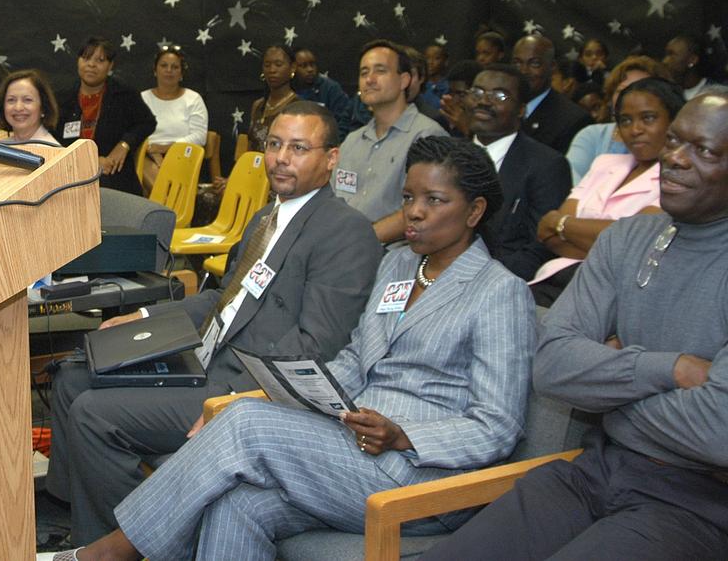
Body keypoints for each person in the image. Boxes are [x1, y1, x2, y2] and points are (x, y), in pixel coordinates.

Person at [49, 136, 536, 561]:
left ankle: (114, 551)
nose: (414, 211)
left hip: (423, 478)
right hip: (353, 445)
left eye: (435, 200)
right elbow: (355, 361)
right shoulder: (396, 268)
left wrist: (404, 436)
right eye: (409, 197)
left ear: (473, 211)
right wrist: (309, 394)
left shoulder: (499, 292)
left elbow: (497, 426)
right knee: (236, 505)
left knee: (241, 421)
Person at [44, 102, 383, 545]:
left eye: (299, 148)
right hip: (201, 355)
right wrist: (141, 316)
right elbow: (220, 298)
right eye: (275, 145)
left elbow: (316, 346)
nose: (281, 158)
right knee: (72, 374)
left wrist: (238, 406)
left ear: (331, 158)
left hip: (241, 385)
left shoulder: (345, 231)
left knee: (94, 414)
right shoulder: (266, 218)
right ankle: (75, 524)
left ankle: (127, 546)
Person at [420, 92, 728, 561]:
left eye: (702, 150)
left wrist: (609, 394)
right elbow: (553, 365)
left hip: (695, 503)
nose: (673, 159)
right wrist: (672, 370)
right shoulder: (626, 239)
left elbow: (718, 430)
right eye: (673, 141)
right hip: (593, 471)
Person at [531, 77, 684, 305]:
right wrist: (609, 246)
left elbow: (634, 244)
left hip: (612, 296)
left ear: (674, 121)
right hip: (554, 278)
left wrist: (562, 223)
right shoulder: (605, 163)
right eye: (625, 120)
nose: (635, 130)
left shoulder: (679, 177)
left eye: (648, 118)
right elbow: (547, 234)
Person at [333, 39, 446, 243]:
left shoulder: (428, 136)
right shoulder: (352, 141)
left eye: (380, 71)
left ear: (404, 80)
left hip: (395, 255)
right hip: (341, 250)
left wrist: (359, 243)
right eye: (364, 73)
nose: (370, 80)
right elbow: (332, 201)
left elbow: (423, 209)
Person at [467, 64, 572, 280]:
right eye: (477, 92)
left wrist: (478, 281)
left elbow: (540, 247)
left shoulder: (546, 164)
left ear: (521, 110)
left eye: (499, 96)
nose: (484, 101)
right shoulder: (444, 154)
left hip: (499, 282)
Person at [56, 37, 156, 196]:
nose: (91, 65)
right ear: (78, 61)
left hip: (113, 178)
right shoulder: (62, 98)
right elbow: (53, 142)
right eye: (86, 58)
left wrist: (125, 144)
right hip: (70, 176)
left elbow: (147, 123)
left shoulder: (124, 94)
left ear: (110, 66)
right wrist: (90, 161)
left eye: (100, 60)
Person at [565, 55, 670, 183]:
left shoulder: (673, 147)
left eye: (642, 90)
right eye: (623, 90)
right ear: (611, 96)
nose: (631, 98)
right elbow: (570, 185)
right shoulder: (592, 135)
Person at [140, 45, 208, 193]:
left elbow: (200, 137)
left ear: (181, 73)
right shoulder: (142, 99)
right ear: (155, 70)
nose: (169, 70)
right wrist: (154, 153)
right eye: (164, 65)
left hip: (183, 157)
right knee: (140, 162)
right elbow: (135, 131)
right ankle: (169, 203)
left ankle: (167, 205)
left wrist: (167, 148)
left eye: (175, 67)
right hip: (148, 155)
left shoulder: (193, 99)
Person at [512, 34, 591, 153]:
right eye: (517, 63)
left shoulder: (572, 120)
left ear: (552, 67)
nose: (523, 71)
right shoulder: (501, 107)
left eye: (534, 64)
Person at [246, 44, 298, 152]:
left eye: (278, 64)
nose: (272, 70)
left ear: (292, 67)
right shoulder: (258, 105)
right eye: (267, 65)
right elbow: (250, 146)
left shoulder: (298, 107)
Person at [292, 47, 355, 137]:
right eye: (304, 66)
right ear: (292, 68)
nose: (310, 69)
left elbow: (343, 120)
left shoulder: (330, 88)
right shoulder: (286, 88)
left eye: (312, 64)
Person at [0, 68, 59, 144]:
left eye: (27, 100)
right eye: (11, 100)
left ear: (43, 107)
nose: (18, 107)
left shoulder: (54, 151)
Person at [664, 32, 719, 101]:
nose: (665, 61)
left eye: (672, 55)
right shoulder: (667, 95)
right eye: (666, 55)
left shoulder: (717, 94)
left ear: (692, 60)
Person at [420, 42, 450, 112]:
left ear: (445, 61)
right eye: (427, 58)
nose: (430, 62)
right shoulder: (418, 85)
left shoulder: (449, 88)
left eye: (436, 58)